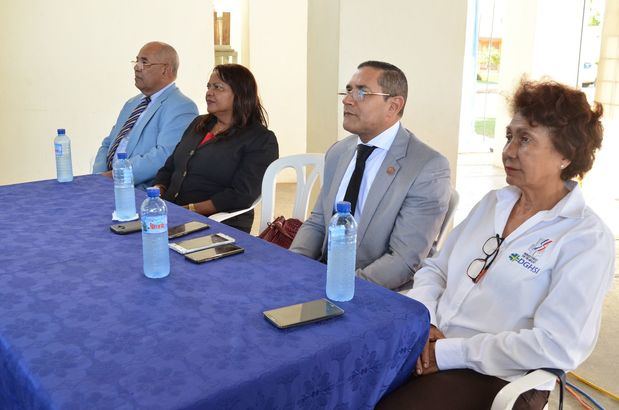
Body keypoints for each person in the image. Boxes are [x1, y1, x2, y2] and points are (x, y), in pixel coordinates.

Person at [377, 79, 615, 410]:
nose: (508, 151)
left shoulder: (585, 238)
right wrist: (426, 322)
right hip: (428, 345)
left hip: (499, 376)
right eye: (509, 136)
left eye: (526, 139)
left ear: (566, 154)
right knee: (341, 382)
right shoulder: (493, 204)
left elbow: (557, 344)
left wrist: (448, 353)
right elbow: (436, 269)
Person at [289, 61, 451, 290]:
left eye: (362, 92)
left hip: (374, 291)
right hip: (322, 277)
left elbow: (403, 260)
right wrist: (292, 266)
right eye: (348, 90)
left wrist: (340, 285)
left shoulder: (427, 167)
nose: (347, 100)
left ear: (393, 106)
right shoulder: (339, 152)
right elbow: (318, 223)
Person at [152, 64, 278, 233]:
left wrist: (189, 210)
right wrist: (157, 193)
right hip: (173, 214)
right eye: (209, 87)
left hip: (219, 225)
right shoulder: (199, 124)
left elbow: (242, 195)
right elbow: (171, 166)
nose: (209, 92)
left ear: (240, 94)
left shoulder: (260, 139)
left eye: (218, 87)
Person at [93, 41, 198, 189]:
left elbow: (164, 155)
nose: (137, 67)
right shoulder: (132, 103)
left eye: (144, 62)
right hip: (106, 184)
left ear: (165, 69)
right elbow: (108, 143)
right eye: (137, 61)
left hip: (139, 191)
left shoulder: (182, 106)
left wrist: (115, 177)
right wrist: (98, 177)